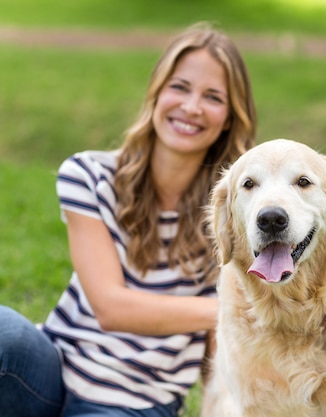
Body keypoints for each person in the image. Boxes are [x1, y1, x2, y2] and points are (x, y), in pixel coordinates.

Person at [0, 22, 256, 417]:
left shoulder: (234, 213)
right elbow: (110, 307)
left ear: (228, 117)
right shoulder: (88, 175)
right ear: (156, 93)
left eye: (213, 97)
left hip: (136, 404)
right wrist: (227, 307)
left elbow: (221, 347)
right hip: (50, 373)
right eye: (180, 87)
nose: (191, 107)